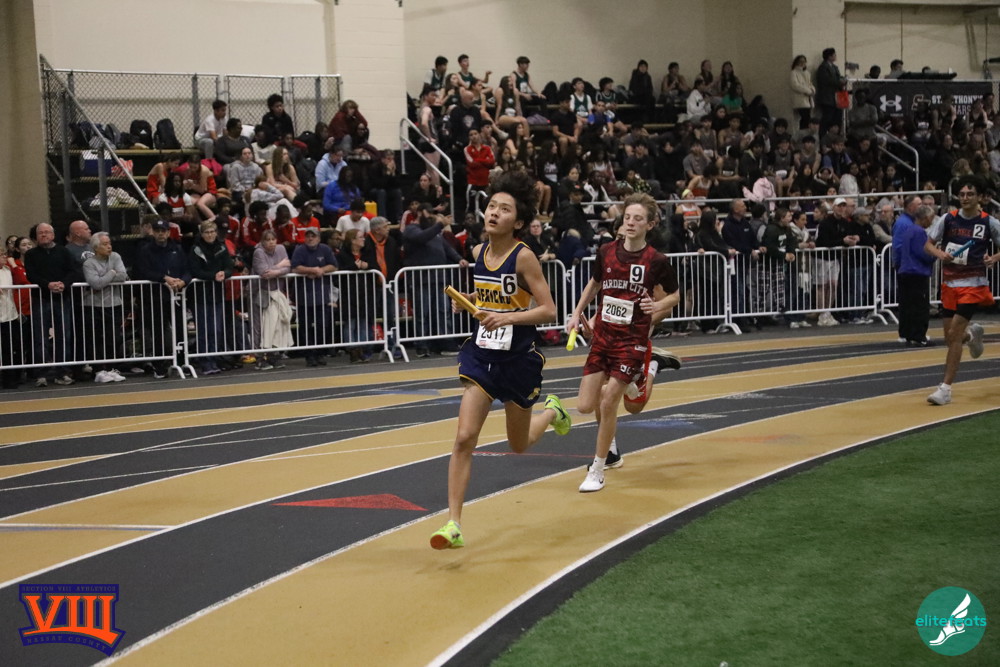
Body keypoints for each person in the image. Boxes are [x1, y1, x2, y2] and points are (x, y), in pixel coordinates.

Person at [428, 170, 570, 550]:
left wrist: (506, 318)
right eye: (491, 206)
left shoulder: (524, 258)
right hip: (481, 356)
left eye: (504, 209)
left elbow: (549, 310)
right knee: (464, 437)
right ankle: (453, 524)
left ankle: (552, 412)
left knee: (518, 445)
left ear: (518, 222)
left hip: (518, 360)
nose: (493, 213)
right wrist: (474, 305)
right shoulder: (477, 253)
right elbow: (490, 299)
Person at [567, 193, 680, 492]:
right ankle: (643, 373)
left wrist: (657, 306)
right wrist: (578, 314)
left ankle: (598, 468)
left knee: (609, 402)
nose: (630, 223)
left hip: (632, 341)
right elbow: (595, 284)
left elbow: (675, 296)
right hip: (603, 337)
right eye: (628, 217)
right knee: (584, 405)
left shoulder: (656, 260)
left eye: (638, 219)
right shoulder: (606, 251)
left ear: (650, 225)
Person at [925, 176, 1000, 405]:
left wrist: (994, 258)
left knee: (954, 332)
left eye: (970, 194)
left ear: (980, 197)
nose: (965, 198)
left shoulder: (989, 223)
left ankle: (945, 388)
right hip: (949, 284)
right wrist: (941, 254)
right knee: (951, 338)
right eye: (962, 194)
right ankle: (972, 336)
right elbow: (928, 244)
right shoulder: (948, 219)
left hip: (974, 284)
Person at [23, 222, 77, 386]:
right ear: (36, 237)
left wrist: (63, 284)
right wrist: (47, 285)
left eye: (47, 232)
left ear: (53, 235)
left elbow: (72, 271)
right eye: (40, 233)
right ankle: (41, 373)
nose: (44, 235)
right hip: (41, 298)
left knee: (64, 336)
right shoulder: (31, 254)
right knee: (40, 337)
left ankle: (63, 372)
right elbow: (31, 275)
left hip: (62, 297)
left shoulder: (64, 251)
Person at [188, 220, 235, 375]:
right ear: (202, 234)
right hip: (200, 295)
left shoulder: (221, 247)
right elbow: (195, 270)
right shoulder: (196, 249)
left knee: (216, 329)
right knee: (204, 330)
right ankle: (205, 361)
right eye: (207, 232)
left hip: (217, 294)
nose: (210, 235)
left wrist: (224, 273)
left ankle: (215, 359)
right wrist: (213, 276)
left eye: (212, 232)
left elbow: (229, 266)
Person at [82, 232, 128, 383]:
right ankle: (98, 370)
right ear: (96, 247)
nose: (109, 246)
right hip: (94, 305)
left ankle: (112, 368)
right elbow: (95, 283)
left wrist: (105, 278)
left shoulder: (115, 257)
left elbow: (123, 276)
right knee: (96, 338)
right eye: (105, 244)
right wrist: (112, 272)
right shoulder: (89, 263)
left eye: (109, 243)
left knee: (113, 337)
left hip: (114, 304)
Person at [291, 227, 338, 367]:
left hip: (322, 295)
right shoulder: (299, 250)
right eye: (308, 236)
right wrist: (311, 270)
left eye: (313, 236)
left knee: (322, 326)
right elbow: (295, 267)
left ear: (319, 238)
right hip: (304, 295)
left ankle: (320, 353)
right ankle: (309, 355)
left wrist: (321, 270)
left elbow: (334, 266)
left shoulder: (325, 249)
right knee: (305, 327)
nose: (310, 238)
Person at [896, 205, 938, 347]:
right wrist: (936, 254)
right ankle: (919, 335)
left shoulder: (909, 230)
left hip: (905, 271)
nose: (931, 222)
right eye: (930, 218)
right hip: (917, 272)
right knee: (920, 306)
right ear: (924, 218)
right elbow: (924, 254)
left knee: (907, 305)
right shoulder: (920, 232)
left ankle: (907, 333)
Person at [789, 55, 815, 130]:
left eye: (804, 61)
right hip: (800, 99)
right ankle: (803, 132)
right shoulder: (794, 72)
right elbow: (795, 85)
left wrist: (812, 90)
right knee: (806, 118)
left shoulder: (807, 73)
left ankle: (804, 132)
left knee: (806, 118)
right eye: (800, 61)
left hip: (808, 99)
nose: (802, 63)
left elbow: (810, 84)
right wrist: (807, 91)